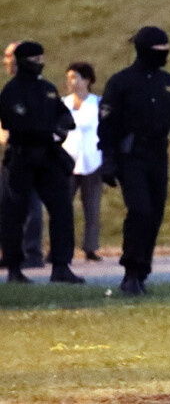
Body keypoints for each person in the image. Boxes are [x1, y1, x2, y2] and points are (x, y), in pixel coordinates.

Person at [97, 26, 170, 296]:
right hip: (130, 157)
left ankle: (142, 272)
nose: (165, 55)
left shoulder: (166, 81)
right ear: (145, 51)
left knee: (154, 215)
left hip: (157, 157)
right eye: (160, 51)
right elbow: (107, 125)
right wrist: (108, 159)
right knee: (140, 211)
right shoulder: (121, 83)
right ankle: (130, 271)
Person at [0, 41, 84, 283]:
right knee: (15, 212)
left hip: (48, 157)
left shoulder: (46, 88)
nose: (39, 64)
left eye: (41, 59)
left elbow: (64, 115)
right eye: (34, 60)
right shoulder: (11, 91)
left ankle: (61, 266)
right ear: (22, 62)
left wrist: (61, 127)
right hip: (22, 157)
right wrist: (47, 129)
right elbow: (15, 123)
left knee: (62, 209)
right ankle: (14, 268)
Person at [0, 42, 45, 269]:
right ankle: (11, 253)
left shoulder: (29, 87)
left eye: (9, 57)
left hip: (27, 152)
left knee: (30, 205)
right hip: (11, 153)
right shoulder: (10, 87)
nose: (6, 61)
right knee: (8, 206)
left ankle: (32, 252)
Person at [62, 62, 103, 261]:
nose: (70, 82)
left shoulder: (97, 104)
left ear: (87, 80)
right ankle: (60, 247)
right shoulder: (63, 104)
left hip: (92, 161)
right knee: (62, 207)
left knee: (92, 206)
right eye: (69, 78)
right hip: (67, 161)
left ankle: (90, 247)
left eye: (74, 77)